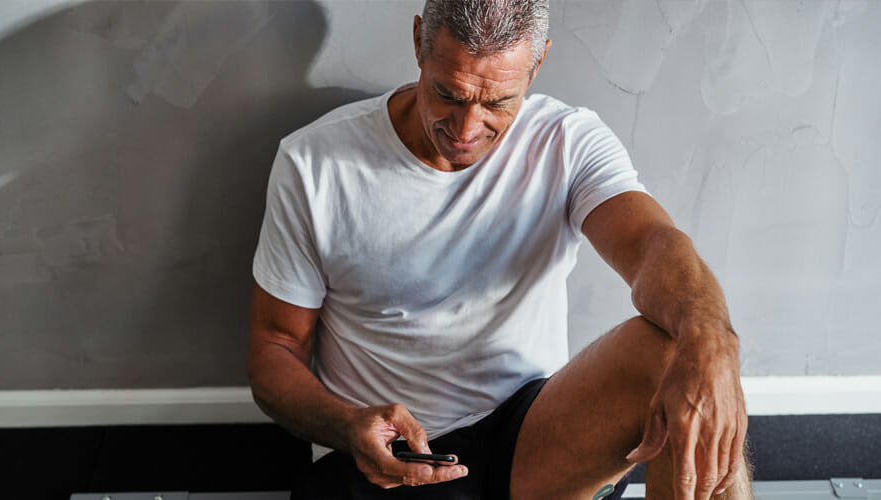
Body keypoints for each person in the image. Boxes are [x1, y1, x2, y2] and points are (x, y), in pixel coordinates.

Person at [247, 0, 752, 498]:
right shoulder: (314, 163)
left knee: (679, 354)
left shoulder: (566, 141)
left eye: (496, 103)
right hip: (389, 458)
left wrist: (713, 341)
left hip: (530, 432)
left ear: (539, 64)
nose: (466, 130)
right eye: (448, 94)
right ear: (419, 42)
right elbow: (275, 349)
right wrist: (346, 424)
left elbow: (652, 244)